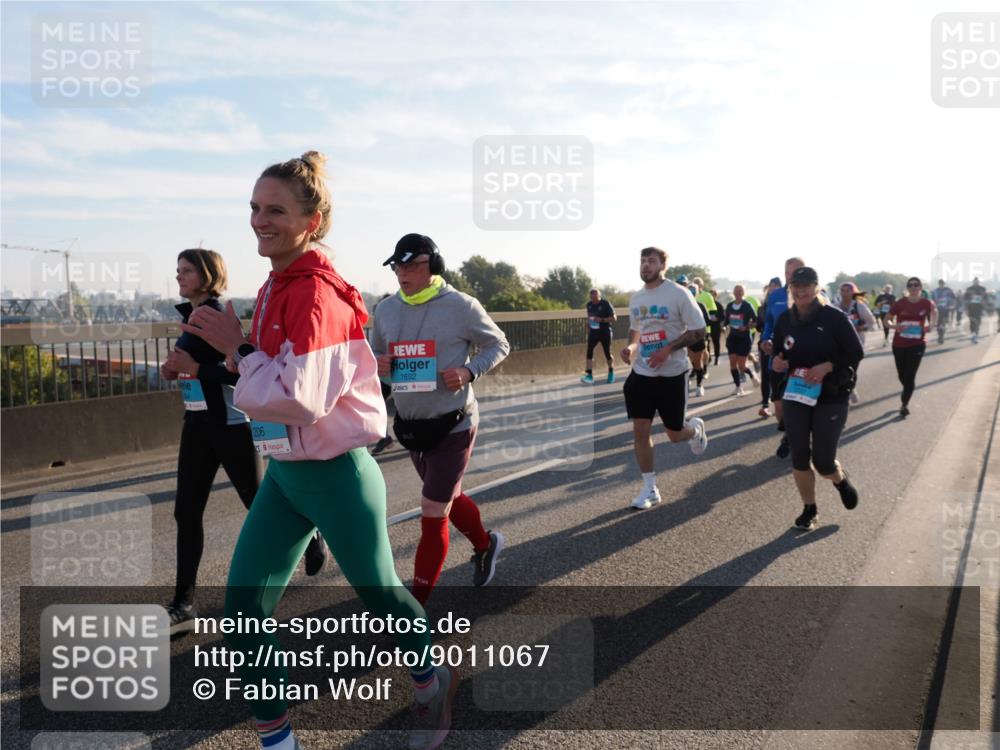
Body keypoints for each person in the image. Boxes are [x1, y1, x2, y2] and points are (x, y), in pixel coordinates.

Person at [182, 153, 455, 750]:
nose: (259, 220)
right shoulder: (275, 284)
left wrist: (238, 350)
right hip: (287, 473)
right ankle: (278, 741)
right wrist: (240, 351)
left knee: (384, 601)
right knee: (241, 615)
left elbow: (301, 400)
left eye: (275, 210)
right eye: (255, 207)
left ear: (312, 221)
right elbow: (272, 377)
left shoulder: (314, 295)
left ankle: (432, 681)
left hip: (337, 476)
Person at [161, 249, 326, 635]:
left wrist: (194, 367)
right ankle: (183, 604)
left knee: (258, 504)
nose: (179, 276)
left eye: (186, 270)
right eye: (178, 269)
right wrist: (177, 371)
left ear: (207, 274)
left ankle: (311, 535)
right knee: (186, 512)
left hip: (232, 426)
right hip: (197, 424)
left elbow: (241, 372)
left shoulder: (218, 317)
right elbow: (196, 370)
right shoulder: (191, 317)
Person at [373, 234, 510, 605]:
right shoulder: (385, 310)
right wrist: (379, 364)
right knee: (450, 497)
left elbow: (499, 344)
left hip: (454, 423)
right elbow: (374, 357)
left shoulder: (461, 306)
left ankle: (413, 612)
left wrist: (468, 371)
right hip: (412, 426)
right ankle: (486, 544)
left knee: (433, 511)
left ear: (433, 265)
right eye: (397, 266)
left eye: (410, 265)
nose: (402, 273)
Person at [771, 267, 863, 530]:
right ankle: (809, 509)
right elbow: (779, 354)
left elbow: (855, 352)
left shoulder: (834, 317)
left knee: (823, 462)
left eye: (806, 285)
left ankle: (840, 480)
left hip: (831, 394)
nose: (800, 291)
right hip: (797, 394)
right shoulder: (785, 319)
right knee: (799, 456)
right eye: (795, 286)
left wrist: (828, 366)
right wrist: (777, 362)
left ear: (816, 287)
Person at [622, 247, 709, 510]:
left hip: (672, 373)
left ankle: (695, 430)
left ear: (663, 266)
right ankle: (650, 488)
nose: (645, 265)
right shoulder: (637, 298)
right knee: (641, 428)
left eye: (651, 261)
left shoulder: (678, 294)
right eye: (642, 261)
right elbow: (636, 330)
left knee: (674, 434)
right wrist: (631, 348)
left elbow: (699, 330)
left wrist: (668, 349)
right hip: (643, 373)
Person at [762, 257, 806, 458]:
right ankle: (790, 434)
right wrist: (766, 339)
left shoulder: (816, 296)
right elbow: (769, 323)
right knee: (779, 407)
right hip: (778, 357)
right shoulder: (775, 296)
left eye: (795, 272)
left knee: (800, 404)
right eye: (787, 273)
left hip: (804, 359)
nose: (790, 277)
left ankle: (795, 439)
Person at [887, 276, 937, 418]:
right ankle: (907, 389)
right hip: (899, 344)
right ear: (907, 288)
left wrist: (930, 326)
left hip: (917, 344)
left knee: (910, 376)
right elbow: (886, 320)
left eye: (916, 285)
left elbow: (934, 314)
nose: (913, 287)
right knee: (902, 375)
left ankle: (904, 404)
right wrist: (894, 326)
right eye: (910, 285)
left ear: (920, 287)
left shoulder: (927, 303)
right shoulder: (900, 303)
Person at [834, 281, 876, 404]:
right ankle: (847, 390)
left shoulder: (859, 306)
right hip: (839, 343)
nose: (844, 293)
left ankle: (850, 389)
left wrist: (862, 327)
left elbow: (871, 321)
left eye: (847, 290)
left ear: (853, 292)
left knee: (853, 368)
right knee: (841, 368)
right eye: (842, 290)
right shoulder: (835, 307)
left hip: (856, 342)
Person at [370, 293, 395, 455]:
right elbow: (374, 350)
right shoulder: (381, 325)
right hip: (385, 376)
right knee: (377, 405)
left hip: (404, 375)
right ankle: (384, 437)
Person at [723, 284, 758, 396]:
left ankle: (752, 375)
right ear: (733, 292)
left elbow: (756, 321)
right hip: (733, 337)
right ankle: (738, 387)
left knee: (741, 366)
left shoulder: (747, 306)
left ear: (743, 293)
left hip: (744, 338)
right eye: (736, 290)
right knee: (732, 363)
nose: (738, 292)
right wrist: (724, 327)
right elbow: (726, 320)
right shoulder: (729, 306)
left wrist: (747, 327)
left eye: (740, 291)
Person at [581, 288, 617, 384]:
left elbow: (614, 318)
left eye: (595, 296)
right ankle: (589, 375)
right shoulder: (589, 305)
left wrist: (602, 320)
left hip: (605, 331)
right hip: (594, 332)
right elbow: (589, 316)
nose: (593, 299)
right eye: (591, 297)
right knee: (589, 351)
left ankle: (611, 372)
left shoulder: (605, 304)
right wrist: (588, 325)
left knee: (607, 353)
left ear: (599, 296)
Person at [686, 285, 712, 397]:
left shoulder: (701, 306)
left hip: (698, 337)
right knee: (689, 361)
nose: (692, 294)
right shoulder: (682, 305)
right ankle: (688, 379)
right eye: (690, 291)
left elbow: (708, 321)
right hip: (685, 338)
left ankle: (699, 385)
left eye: (693, 292)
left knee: (698, 362)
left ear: (696, 294)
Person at [964, 277, 987, 344]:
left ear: (978, 282)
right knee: (972, 322)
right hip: (971, 308)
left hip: (979, 308)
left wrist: (985, 307)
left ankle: (976, 333)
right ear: (973, 282)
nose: (976, 283)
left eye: (977, 281)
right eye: (975, 281)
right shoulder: (969, 289)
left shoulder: (982, 289)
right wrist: (966, 309)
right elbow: (965, 298)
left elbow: (986, 298)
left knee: (978, 322)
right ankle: (973, 334)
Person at [707, 288, 724, 367]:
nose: (711, 296)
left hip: (716, 326)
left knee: (716, 342)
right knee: (707, 342)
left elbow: (723, 316)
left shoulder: (718, 305)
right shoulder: (706, 304)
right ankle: (708, 357)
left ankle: (717, 358)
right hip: (707, 326)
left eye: (712, 295)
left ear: (715, 296)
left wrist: (717, 319)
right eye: (709, 295)